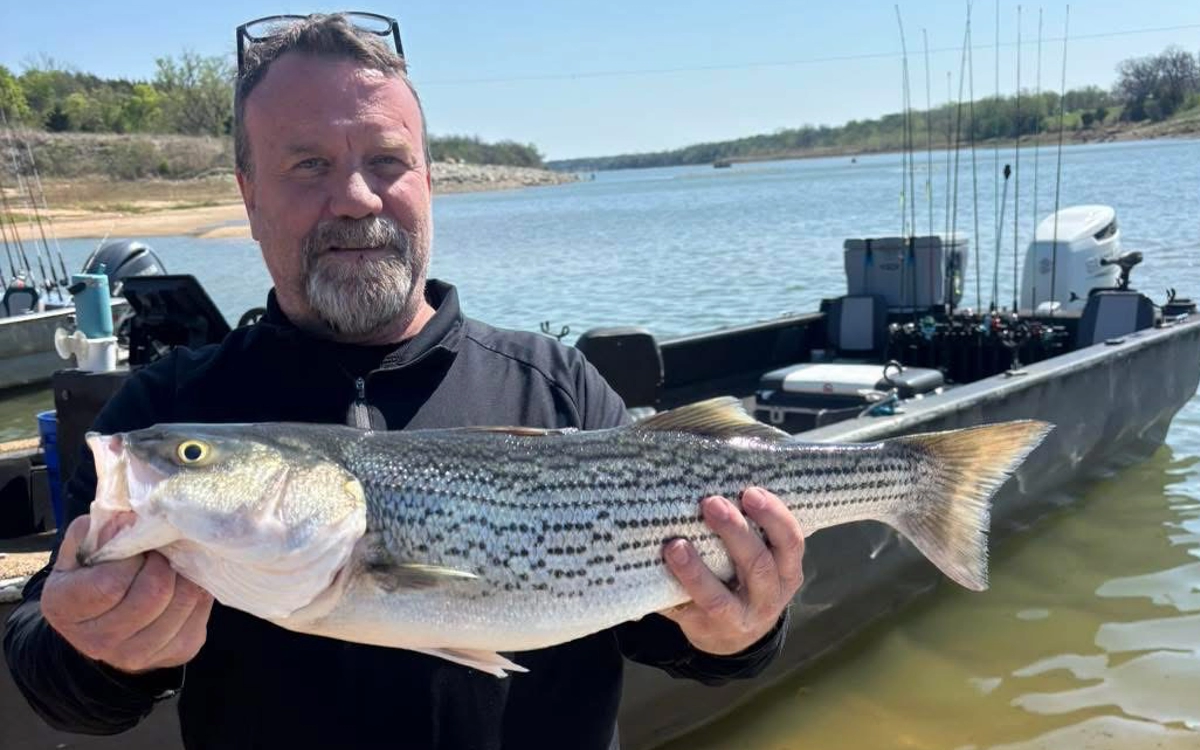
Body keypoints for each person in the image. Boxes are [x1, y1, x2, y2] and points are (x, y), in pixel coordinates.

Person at [3, 13, 805, 750]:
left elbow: (675, 638)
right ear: (248, 196)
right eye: (308, 165)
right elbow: (54, 674)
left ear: (428, 180)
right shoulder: (168, 413)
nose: (354, 199)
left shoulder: (558, 386)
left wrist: (743, 629)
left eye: (387, 161)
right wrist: (95, 650)